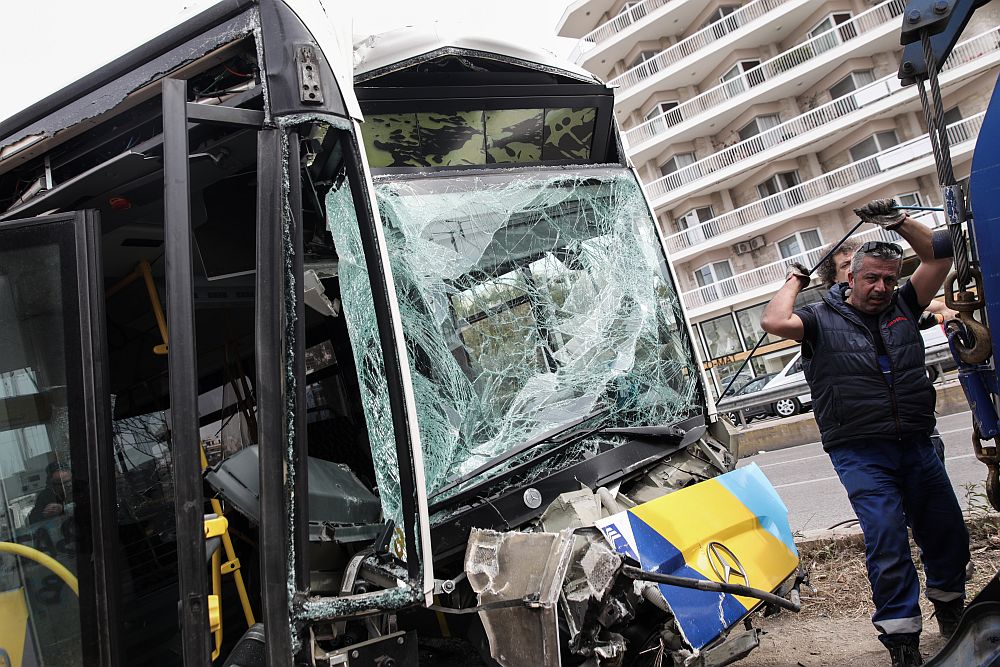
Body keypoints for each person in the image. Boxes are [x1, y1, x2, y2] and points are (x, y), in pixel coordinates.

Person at [761, 199, 970, 667]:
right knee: (887, 538)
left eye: (888, 279)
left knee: (946, 532)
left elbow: (939, 257)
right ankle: (902, 642)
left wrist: (897, 222)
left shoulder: (904, 304)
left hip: (917, 442)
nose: (880, 287)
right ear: (847, 278)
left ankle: (951, 610)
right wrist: (795, 278)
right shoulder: (818, 319)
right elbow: (774, 321)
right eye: (870, 278)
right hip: (860, 452)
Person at [816, 238, 953, 462]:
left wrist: (941, 313)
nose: (855, 266)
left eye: (857, 261)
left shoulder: (895, 302)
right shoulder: (823, 320)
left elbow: (934, 287)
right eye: (846, 265)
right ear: (836, 278)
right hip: (867, 440)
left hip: (916, 430)